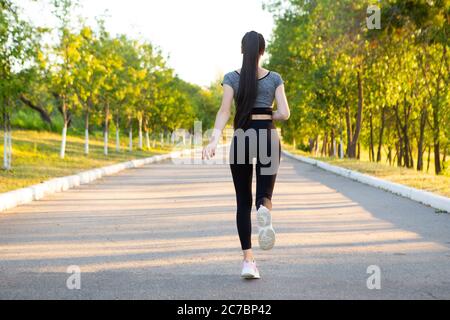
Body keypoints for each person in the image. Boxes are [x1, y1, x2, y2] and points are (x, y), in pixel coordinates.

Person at [202, 31, 290, 279]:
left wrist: (213, 139)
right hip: (268, 137)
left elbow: (224, 111)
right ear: (263, 51)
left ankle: (248, 261)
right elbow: (284, 113)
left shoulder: (231, 77)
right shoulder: (274, 78)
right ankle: (264, 209)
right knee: (263, 195)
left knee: (242, 202)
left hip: (242, 137)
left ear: (242, 50)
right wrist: (265, 115)